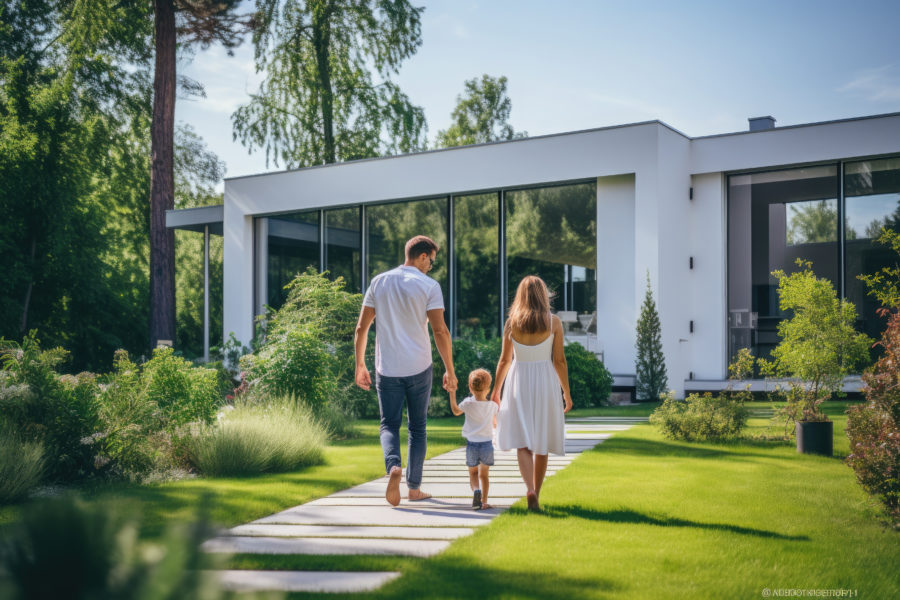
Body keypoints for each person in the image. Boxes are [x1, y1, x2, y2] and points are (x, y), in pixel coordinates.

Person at [354, 235, 457, 506]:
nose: (431, 266)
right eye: (431, 261)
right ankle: (413, 488)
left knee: (389, 423)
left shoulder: (379, 281)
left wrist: (360, 364)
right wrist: (450, 369)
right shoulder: (429, 286)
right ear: (422, 256)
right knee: (418, 427)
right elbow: (440, 330)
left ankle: (393, 467)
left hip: (386, 367)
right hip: (419, 366)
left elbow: (361, 328)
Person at [492, 275, 573, 512]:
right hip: (546, 382)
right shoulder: (553, 322)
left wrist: (496, 390)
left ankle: (528, 488)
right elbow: (559, 360)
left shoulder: (511, 323)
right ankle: (536, 492)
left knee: (523, 441)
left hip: (519, 381)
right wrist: (566, 393)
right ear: (543, 295)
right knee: (542, 441)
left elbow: (505, 360)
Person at [449, 368, 498, 510]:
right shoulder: (492, 406)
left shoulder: (468, 403)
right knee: (485, 475)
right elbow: (495, 424)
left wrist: (452, 393)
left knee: (473, 473)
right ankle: (484, 501)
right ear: (488, 389)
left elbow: (456, 411)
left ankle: (476, 490)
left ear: (470, 387)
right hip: (487, 445)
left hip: (472, 445)